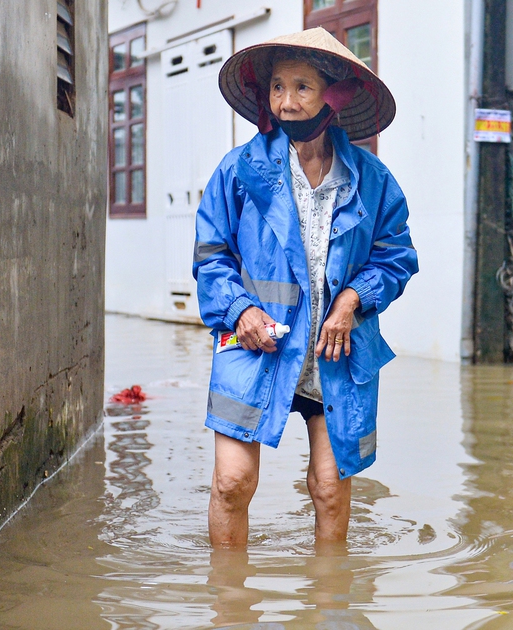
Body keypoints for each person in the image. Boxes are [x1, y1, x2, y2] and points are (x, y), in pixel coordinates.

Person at [193, 28, 418, 548]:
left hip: (334, 351)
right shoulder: (240, 171)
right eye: (276, 87)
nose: (286, 102)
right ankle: (230, 607)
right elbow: (211, 257)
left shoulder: (371, 180)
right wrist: (240, 310)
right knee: (231, 484)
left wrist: (352, 299)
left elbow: (396, 256)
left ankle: (328, 604)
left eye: (301, 87)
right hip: (255, 345)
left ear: (333, 97)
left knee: (330, 489)